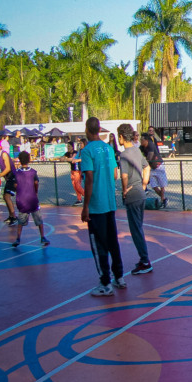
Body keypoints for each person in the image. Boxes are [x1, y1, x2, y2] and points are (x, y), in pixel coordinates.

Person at [80, 116, 126, 296]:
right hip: (109, 202)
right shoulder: (108, 149)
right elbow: (115, 173)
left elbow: (89, 178)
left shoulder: (86, 151)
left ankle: (105, 282)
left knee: (98, 244)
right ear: (99, 129)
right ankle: (119, 276)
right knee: (112, 241)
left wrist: (86, 207)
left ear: (87, 130)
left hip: (97, 204)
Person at [116, 124, 152, 274]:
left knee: (136, 229)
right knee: (138, 227)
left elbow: (124, 175)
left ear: (122, 137)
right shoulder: (136, 151)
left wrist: (124, 190)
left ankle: (145, 261)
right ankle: (143, 259)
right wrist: (143, 184)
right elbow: (147, 167)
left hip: (132, 195)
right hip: (140, 193)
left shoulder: (124, 155)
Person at [11, 152, 48, 247]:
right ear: (29, 160)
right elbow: (36, 183)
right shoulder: (33, 172)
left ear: (19, 160)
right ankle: (42, 237)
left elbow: (15, 185)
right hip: (32, 200)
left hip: (22, 200)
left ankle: (18, 238)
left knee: (20, 220)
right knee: (39, 219)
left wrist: (19, 190)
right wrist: (35, 192)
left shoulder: (17, 173)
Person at [0, 137, 18, 225]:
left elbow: (8, 169)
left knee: (7, 196)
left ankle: (14, 217)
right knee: (5, 196)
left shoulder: (4, 154)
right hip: (9, 178)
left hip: (13, 177)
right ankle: (11, 216)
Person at [140, 132, 168, 209]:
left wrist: (144, 163)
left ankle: (163, 200)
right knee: (154, 185)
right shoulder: (142, 147)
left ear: (146, 140)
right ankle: (164, 199)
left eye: (142, 140)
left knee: (162, 185)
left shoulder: (150, 145)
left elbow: (150, 156)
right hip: (152, 168)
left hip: (159, 166)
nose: (140, 141)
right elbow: (138, 152)